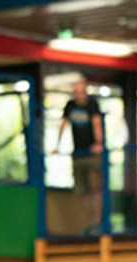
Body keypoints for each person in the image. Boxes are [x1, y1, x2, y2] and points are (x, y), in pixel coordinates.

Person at [54, 80, 104, 234]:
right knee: (83, 191)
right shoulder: (70, 106)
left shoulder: (92, 105)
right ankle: (90, 224)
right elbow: (63, 124)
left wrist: (98, 143)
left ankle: (97, 222)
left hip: (91, 154)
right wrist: (57, 145)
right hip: (78, 153)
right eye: (75, 91)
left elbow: (97, 124)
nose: (78, 95)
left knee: (95, 187)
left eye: (80, 91)